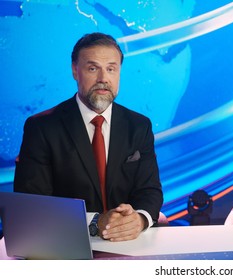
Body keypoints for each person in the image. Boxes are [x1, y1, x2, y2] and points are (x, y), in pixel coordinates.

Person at [14, 32, 163, 242]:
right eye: (93, 68)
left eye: (111, 69)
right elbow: (33, 204)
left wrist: (140, 219)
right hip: (64, 244)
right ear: (75, 71)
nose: (103, 79)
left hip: (128, 245)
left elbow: (150, 190)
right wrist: (94, 223)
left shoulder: (139, 126)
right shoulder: (42, 127)